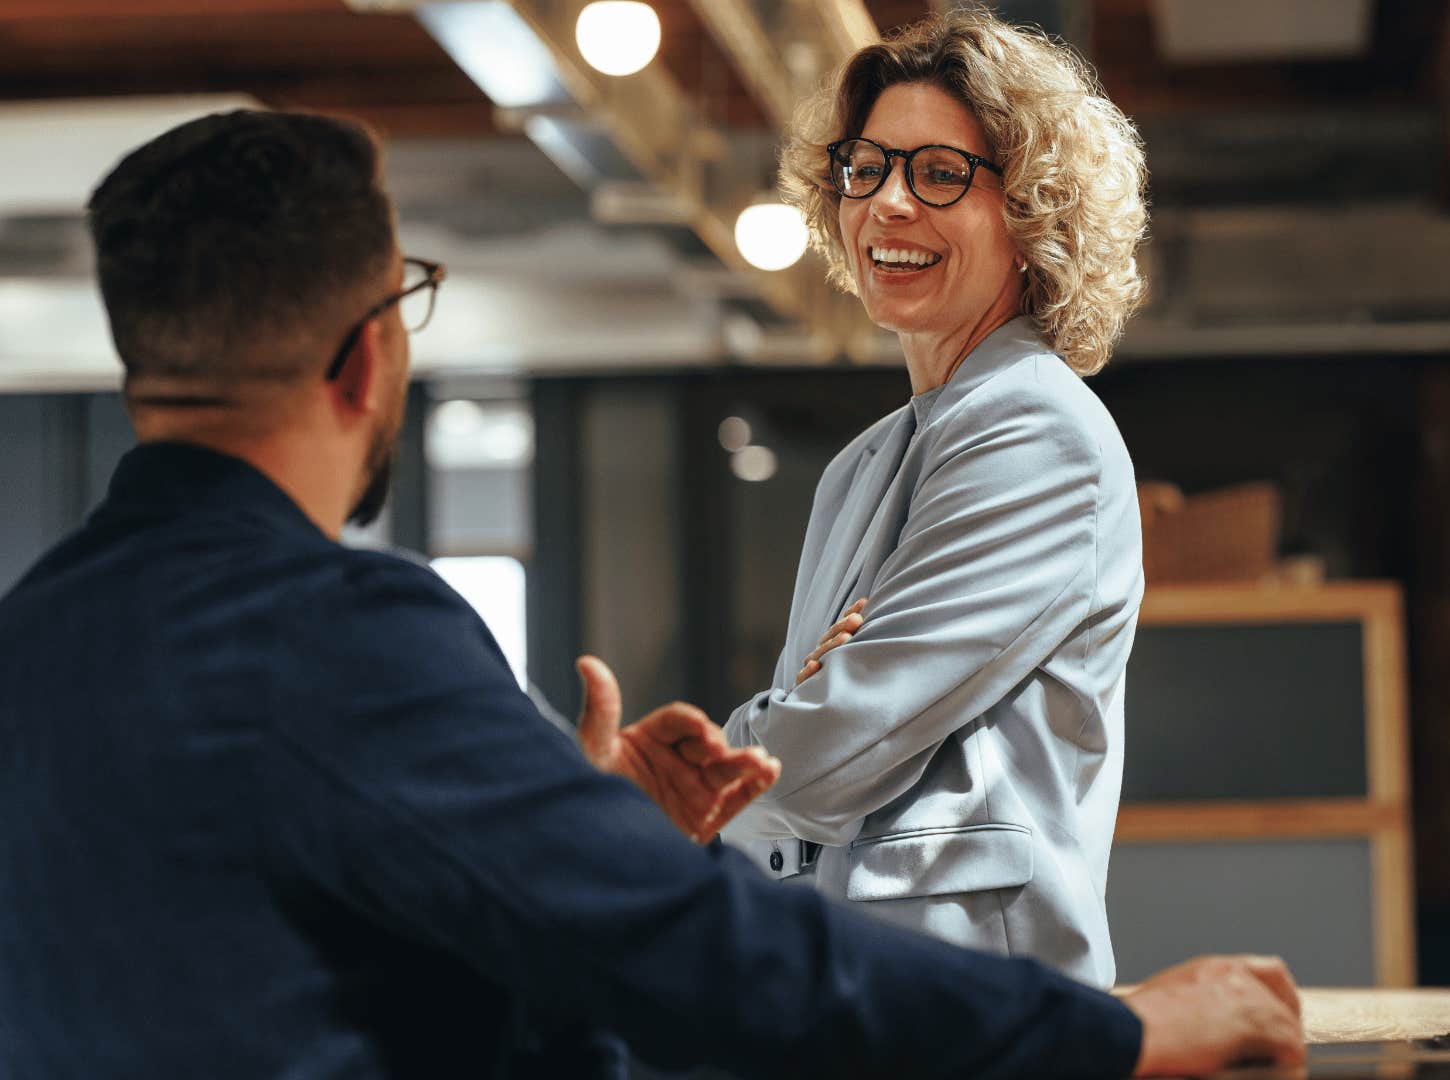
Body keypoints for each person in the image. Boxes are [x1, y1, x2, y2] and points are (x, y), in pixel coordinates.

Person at [0, 109, 1306, 1078]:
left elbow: (258, 949)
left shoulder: (34, 638)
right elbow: (698, 959)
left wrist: (576, 823)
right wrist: (1119, 1033)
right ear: (372, 356)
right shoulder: (340, 635)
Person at [718, 10, 1149, 988]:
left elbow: (825, 755)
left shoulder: (1040, 434)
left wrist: (758, 734)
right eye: (865, 170)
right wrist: (811, 706)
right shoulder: (863, 466)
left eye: (940, 174)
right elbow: (821, 734)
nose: (890, 206)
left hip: (985, 1000)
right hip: (862, 994)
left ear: (1033, 210)